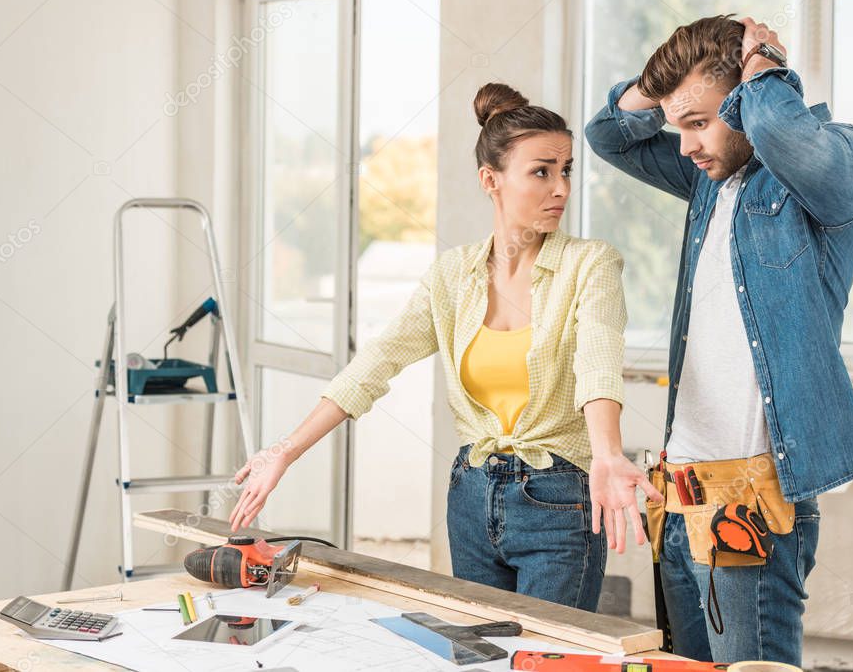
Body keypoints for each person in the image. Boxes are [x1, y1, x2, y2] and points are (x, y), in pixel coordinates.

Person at [229, 82, 662, 611]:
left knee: (546, 659)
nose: (561, 188)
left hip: (560, 503)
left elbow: (598, 359)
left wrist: (608, 453)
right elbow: (376, 362)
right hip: (471, 496)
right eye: (541, 171)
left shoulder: (590, 264)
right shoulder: (452, 275)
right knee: (479, 651)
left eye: (566, 169)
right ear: (491, 179)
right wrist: (284, 451)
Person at [585, 15, 853, 663]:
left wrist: (764, 62)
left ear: (747, 96)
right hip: (676, 496)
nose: (686, 143)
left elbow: (779, 131)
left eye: (698, 121)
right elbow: (606, 134)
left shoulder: (836, 171)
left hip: (750, 506)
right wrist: (668, 86)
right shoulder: (708, 179)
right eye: (677, 125)